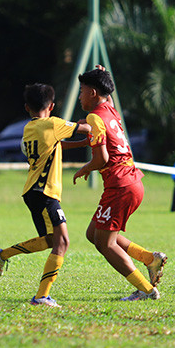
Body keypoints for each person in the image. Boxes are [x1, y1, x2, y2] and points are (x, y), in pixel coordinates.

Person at [0, 83, 90, 308]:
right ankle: (42, 296)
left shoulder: (29, 128)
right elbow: (87, 129)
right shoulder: (53, 124)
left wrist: (81, 142)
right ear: (52, 106)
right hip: (45, 192)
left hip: (32, 191)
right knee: (62, 241)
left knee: (51, 241)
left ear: (27, 108)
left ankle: (2, 255)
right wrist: (89, 123)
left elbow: (54, 145)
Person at [70, 66, 166, 300]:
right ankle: (149, 259)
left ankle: (146, 289)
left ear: (93, 92)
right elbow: (107, 97)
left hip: (120, 186)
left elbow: (101, 158)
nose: (80, 96)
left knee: (105, 243)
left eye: (82, 91)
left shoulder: (94, 117)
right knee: (94, 233)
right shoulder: (110, 110)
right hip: (131, 182)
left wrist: (85, 168)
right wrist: (102, 75)